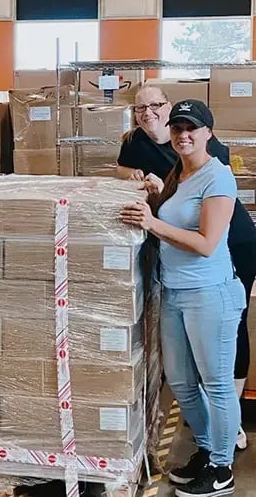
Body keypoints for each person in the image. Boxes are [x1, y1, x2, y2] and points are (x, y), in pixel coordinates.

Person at [117, 84, 256, 452]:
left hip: (224, 256)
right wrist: (150, 192)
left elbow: (207, 241)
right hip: (178, 274)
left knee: (222, 357)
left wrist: (152, 221)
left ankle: (225, 442)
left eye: (156, 106)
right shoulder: (158, 157)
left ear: (207, 132)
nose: (183, 135)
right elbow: (155, 193)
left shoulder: (213, 167)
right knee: (184, 376)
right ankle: (210, 440)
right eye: (140, 108)